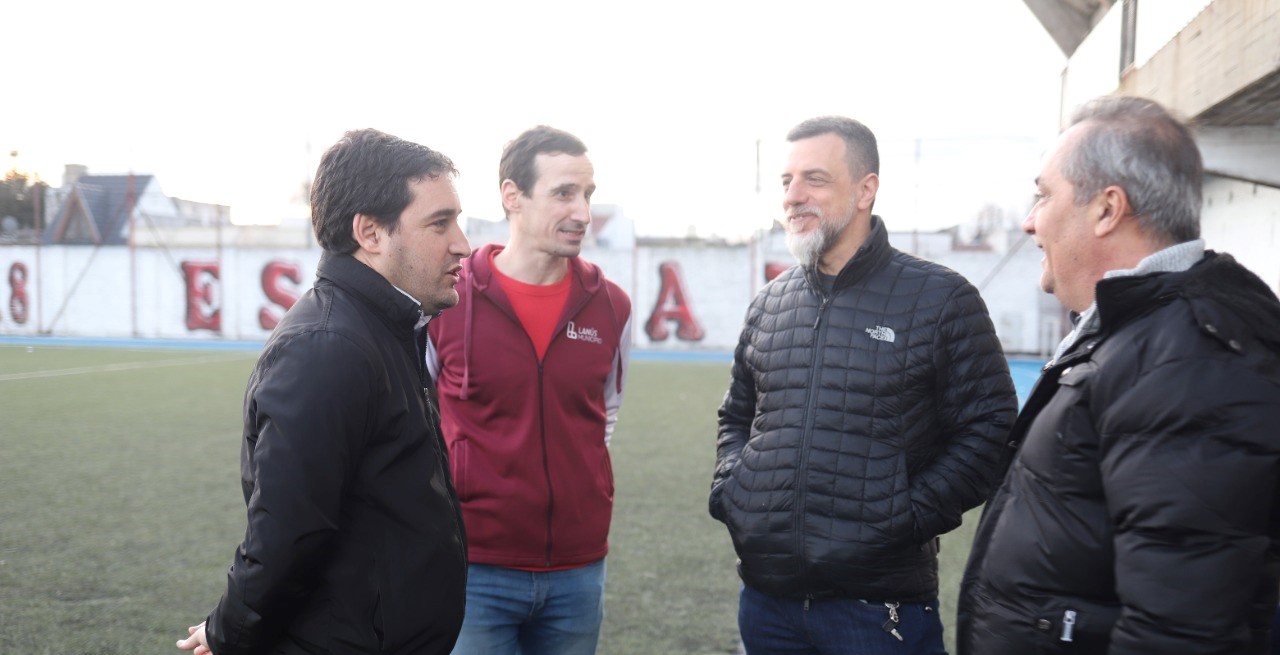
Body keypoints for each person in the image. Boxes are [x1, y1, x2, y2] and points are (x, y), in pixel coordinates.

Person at [956, 96, 1280, 654]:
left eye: (1044, 195)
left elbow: (1180, 631)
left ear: (1107, 209)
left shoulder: (1187, 362)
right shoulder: (1137, 332)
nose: (1030, 220)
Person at [709, 115, 1018, 655]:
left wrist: (903, 515)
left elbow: (990, 430)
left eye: (815, 179)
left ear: (865, 189)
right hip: (767, 603)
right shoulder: (770, 302)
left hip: (878, 612)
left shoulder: (941, 298)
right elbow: (737, 414)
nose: (794, 196)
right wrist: (734, 488)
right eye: (786, 181)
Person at [176, 129, 471, 655]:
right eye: (439, 223)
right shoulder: (327, 347)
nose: (462, 244)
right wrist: (228, 634)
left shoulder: (387, 328)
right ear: (371, 232)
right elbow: (287, 535)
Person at [426, 125, 632, 655]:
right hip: (475, 567)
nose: (583, 212)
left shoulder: (611, 305)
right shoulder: (446, 300)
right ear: (512, 197)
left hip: (579, 568)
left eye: (587, 194)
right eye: (564, 193)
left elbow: (605, 414)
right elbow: (417, 418)